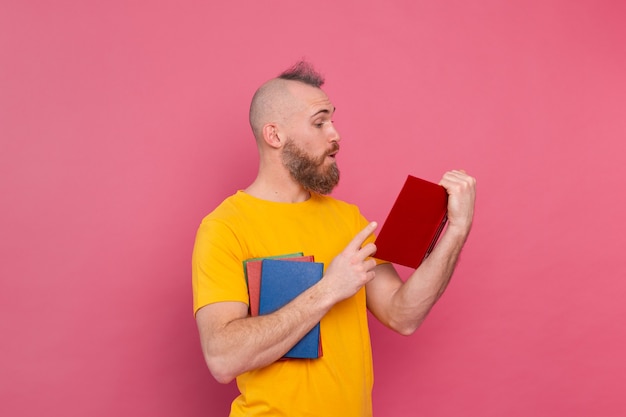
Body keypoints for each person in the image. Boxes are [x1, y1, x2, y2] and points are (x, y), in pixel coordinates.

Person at [192, 61, 476, 417]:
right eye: (319, 122)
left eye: (333, 120)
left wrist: (456, 231)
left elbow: (404, 315)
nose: (335, 134)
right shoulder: (225, 227)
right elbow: (222, 357)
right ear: (275, 136)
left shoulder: (347, 220)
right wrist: (329, 289)